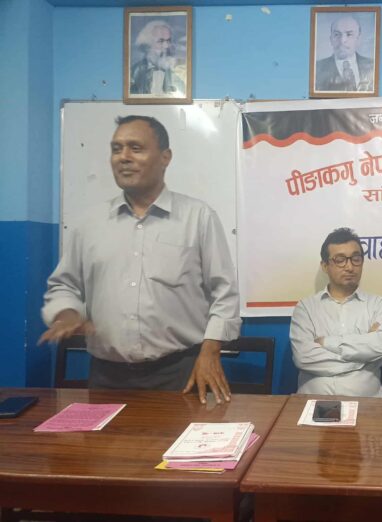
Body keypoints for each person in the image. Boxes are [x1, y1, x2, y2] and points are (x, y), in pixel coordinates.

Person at [40, 115, 241, 404]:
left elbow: (224, 293)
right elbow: (64, 285)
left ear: (165, 157)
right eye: (116, 148)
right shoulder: (90, 224)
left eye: (136, 148)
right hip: (106, 376)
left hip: (181, 372)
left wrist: (210, 351)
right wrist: (67, 312)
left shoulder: (198, 218)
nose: (123, 157)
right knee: (104, 438)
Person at [290, 228, 382, 396]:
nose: (349, 267)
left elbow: (380, 346)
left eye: (356, 259)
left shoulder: (378, 305)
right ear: (325, 266)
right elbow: (303, 357)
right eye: (340, 260)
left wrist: (327, 343)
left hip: (367, 405)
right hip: (312, 403)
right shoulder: (306, 308)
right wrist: (363, 358)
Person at [314, 15, 374, 92]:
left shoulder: (372, 65)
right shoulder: (317, 69)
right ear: (331, 39)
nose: (342, 40)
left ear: (358, 39)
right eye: (337, 34)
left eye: (349, 34)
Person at [130, 20, 185, 95]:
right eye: (160, 41)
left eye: (168, 41)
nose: (166, 46)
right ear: (147, 45)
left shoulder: (178, 70)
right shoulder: (135, 71)